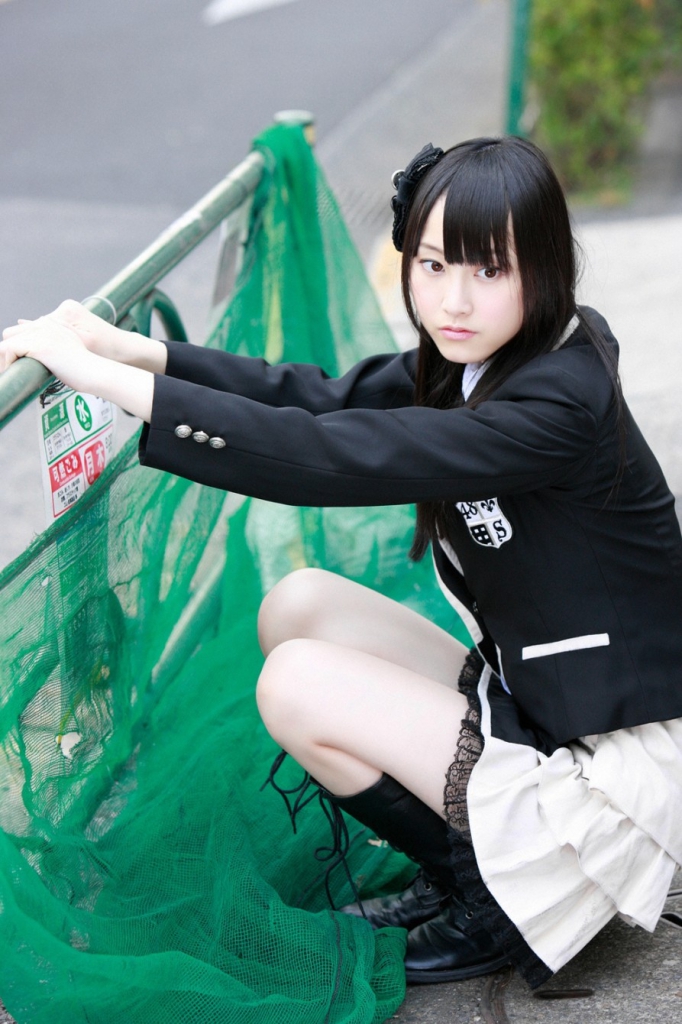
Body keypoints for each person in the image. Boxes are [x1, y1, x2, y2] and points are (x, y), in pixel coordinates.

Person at [2, 136, 682, 991]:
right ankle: (463, 870)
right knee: (300, 606)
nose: (453, 300)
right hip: (544, 694)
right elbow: (323, 397)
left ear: (544, 269)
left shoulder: (558, 399)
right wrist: (137, 352)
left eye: (488, 269)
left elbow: (331, 452)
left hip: (610, 760)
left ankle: (501, 903)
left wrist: (106, 385)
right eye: (432, 265)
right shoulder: (486, 356)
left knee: (296, 685)